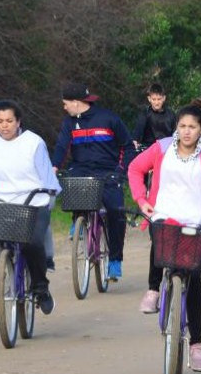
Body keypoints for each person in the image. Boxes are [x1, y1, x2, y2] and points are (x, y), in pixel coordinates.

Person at [128, 100, 201, 373]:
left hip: (197, 221)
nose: (187, 131)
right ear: (176, 127)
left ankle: (196, 344)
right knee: (160, 236)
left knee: (194, 279)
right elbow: (135, 169)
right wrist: (141, 200)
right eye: (182, 126)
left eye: (192, 127)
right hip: (165, 214)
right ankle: (154, 289)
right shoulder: (162, 148)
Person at [0, 100, 60, 314]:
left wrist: (51, 189)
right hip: (2, 200)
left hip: (34, 201)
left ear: (18, 122)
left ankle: (40, 288)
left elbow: (45, 172)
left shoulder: (34, 142)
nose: (4, 125)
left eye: (9, 121)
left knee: (32, 242)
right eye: (0, 121)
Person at [52, 82, 136, 281]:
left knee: (116, 212)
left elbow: (128, 146)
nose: (64, 107)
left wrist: (121, 170)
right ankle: (78, 220)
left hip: (108, 171)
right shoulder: (68, 123)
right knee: (71, 182)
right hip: (80, 169)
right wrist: (54, 167)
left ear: (76, 102)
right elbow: (61, 147)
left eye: (65, 103)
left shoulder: (109, 119)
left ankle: (115, 260)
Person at [132, 83, 176, 149]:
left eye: (159, 99)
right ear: (149, 99)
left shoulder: (171, 115)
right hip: (148, 149)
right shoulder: (145, 113)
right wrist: (135, 140)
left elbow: (175, 133)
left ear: (164, 98)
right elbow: (138, 130)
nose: (156, 103)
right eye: (154, 99)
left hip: (166, 149)